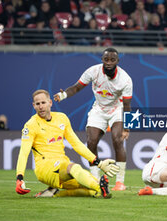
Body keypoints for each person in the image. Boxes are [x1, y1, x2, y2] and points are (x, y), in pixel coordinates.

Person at [15, 89, 120, 198]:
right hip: (44, 168)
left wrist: (99, 163)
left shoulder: (62, 118)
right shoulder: (30, 125)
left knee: (89, 185)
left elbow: (76, 144)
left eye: (43, 103)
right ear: (34, 106)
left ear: (50, 103)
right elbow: (23, 153)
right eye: (37, 104)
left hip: (62, 165)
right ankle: (100, 188)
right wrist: (19, 178)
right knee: (74, 168)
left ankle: (54, 193)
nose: (41, 106)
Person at [54, 47, 133, 191]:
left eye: (112, 60)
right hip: (99, 109)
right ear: (102, 60)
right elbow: (77, 88)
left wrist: (127, 127)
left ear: (117, 61)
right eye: (106, 59)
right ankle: (95, 179)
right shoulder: (93, 71)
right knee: (91, 141)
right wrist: (63, 95)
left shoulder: (125, 79)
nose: (108, 62)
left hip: (117, 109)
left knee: (117, 139)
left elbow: (127, 105)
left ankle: (120, 182)